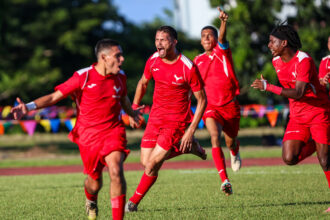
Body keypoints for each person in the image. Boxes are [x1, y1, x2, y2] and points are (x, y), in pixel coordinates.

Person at [11, 39, 142, 220]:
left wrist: (132, 113)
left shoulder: (120, 76)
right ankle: (91, 199)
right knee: (94, 184)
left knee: (116, 171)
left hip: (113, 130)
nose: (122, 59)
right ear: (104, 57)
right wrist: (29, 106)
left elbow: (123, 98)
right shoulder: (83, 76)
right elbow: (53, 97)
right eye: (117, 55)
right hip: (88, 135)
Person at [125, 25, 207, 212]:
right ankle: (190, 147)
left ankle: (133, 203)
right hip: (155, 118)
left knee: (153, 164)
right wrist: (134, 108)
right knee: (146, 162)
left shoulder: (188, 67)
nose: (158, 43)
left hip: (176, 121)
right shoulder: (153, 60)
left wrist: (190, 130)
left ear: (174, 42)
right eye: (156, 40)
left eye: (163, 40)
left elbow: (202, 100)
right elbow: (143, 83)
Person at [251, 25, 330, 213]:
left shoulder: (304, 60)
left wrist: (268, 87)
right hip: (297, 116)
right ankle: (320, 145)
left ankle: (323, 149)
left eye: (272, 41)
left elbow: (299, 91)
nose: (269, 45)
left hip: (318, 112)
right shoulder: (276, 61)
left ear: (284, 42)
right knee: (289, 158)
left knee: (325, 160)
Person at [193, 8, 241, 196]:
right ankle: (224, 180)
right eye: (203, 36)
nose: (206, 38)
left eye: (210, 35)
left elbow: (222, 39)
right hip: (211, 107)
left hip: (230, 105)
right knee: (214, 136)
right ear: (200, 41)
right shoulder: (196, 60)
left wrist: (223, 22)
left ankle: (235, 150)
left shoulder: (222, 53)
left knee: (230, 141)